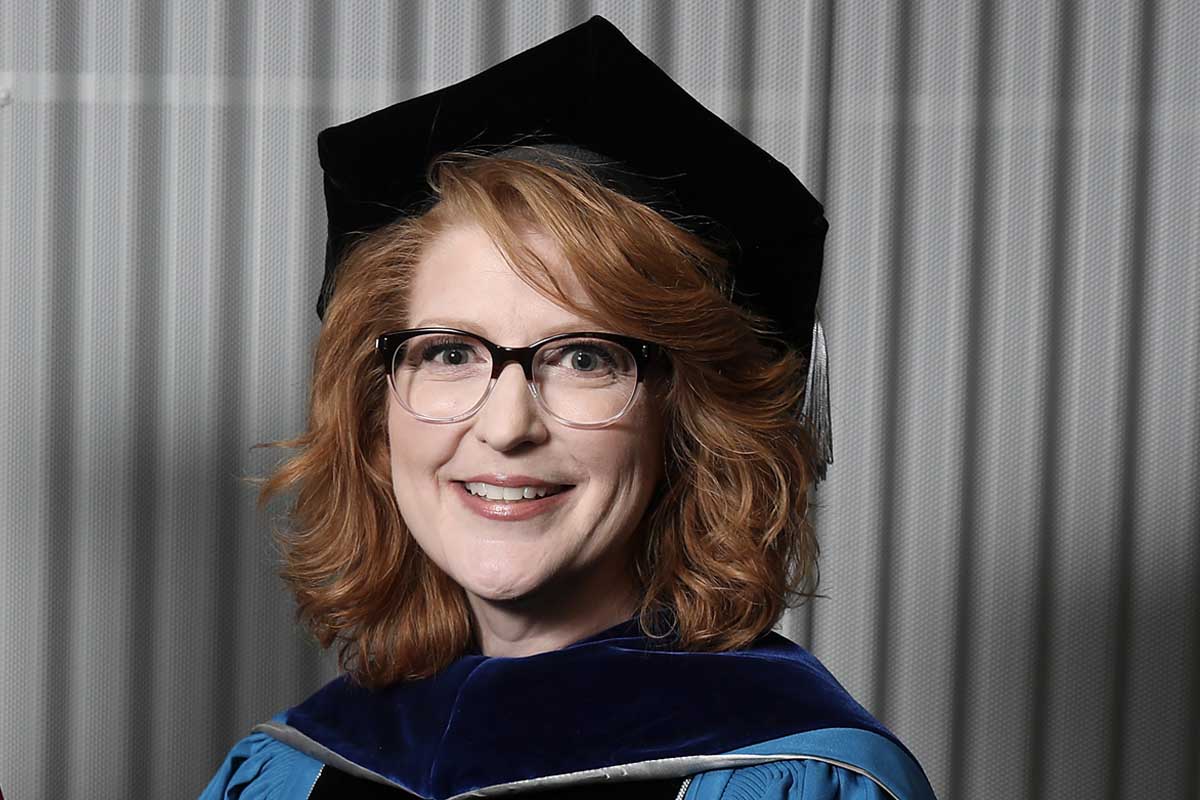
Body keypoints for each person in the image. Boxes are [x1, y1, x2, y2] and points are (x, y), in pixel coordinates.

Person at [200, 16, 937, 800]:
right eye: (449, 353)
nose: (507, 426)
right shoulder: (291, 771)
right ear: (378, 419)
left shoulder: (786, 777)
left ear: (687, 423)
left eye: (584, 358)